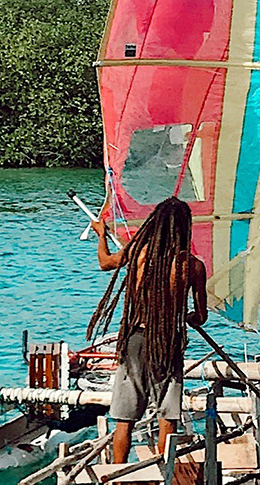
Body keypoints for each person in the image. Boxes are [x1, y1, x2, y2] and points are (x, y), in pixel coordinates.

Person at [87, 196, 209, 465]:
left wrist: (101, 235)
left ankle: (115, 480)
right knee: (168, 415)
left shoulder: (139, 253)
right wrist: (190, 316)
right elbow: (201, 317)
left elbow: (105, 262)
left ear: (156, 224)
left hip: (134, 339)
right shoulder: (193, 266)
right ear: (185, 228)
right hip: (168, 343)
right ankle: (163, 476)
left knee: (125, 419)